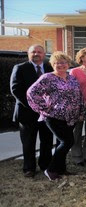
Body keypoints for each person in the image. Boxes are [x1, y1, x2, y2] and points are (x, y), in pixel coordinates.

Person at [27, 52, 85, 181]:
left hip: (71, 117)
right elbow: (31, 92)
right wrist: (44, 107)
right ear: (52, 64)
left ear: (68, 64)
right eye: (57, 63)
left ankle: (61, 169)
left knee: (62, 143)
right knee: (67, 141)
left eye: (63, 62)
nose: (60, 65)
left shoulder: (72, 78)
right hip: (54, 117)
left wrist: (81, 113)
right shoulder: (47, 77)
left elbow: (79, 96)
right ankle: (51, 169)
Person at [10, 44, 54, 178]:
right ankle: (29, 168)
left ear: (44, 54)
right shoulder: (20, 68)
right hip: (27, 113)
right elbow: (15, 89)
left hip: (47, 113)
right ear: (28, 54)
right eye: (33, 52)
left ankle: (45, 165)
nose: (36, 54)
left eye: (39, 52)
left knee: (47, 140)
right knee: (29, 142)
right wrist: (35, 106)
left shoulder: (50, 68)